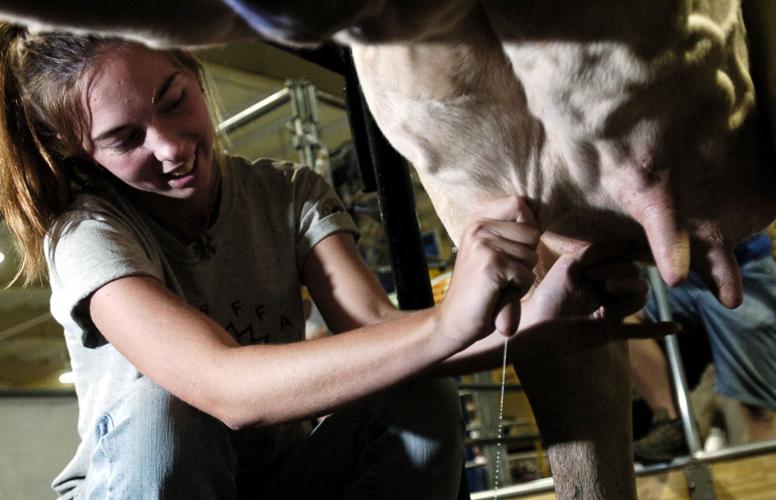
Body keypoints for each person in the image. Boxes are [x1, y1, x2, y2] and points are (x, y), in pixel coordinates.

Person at [0, 25, 675, 499]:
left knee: (414, 396)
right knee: (163, 409)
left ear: (193, 71)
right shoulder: (88, 234)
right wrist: (449, 321)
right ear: (77, 157)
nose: (172, 147)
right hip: (151, 488)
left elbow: (382, 336)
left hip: (280, 480)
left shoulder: (287, 194)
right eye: (126, 140)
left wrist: (536, 315)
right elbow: (222, 387)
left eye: (175, 102)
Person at [629, 233, 776, 464]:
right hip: (675, 280)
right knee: (615, 314)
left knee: (758, 413)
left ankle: (766, 475)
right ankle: (673, 423)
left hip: (737, 267)